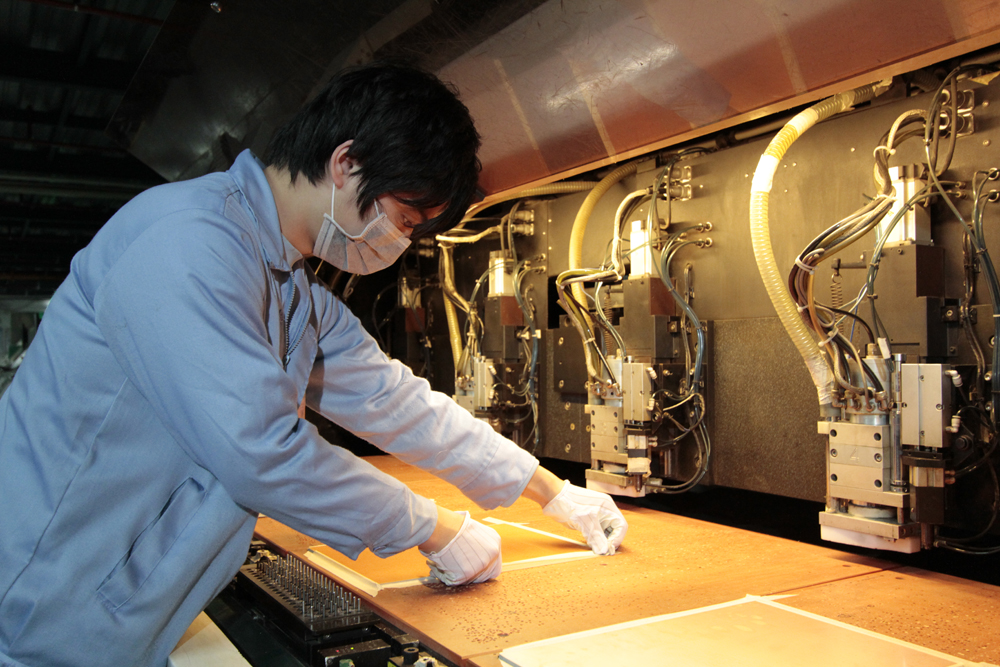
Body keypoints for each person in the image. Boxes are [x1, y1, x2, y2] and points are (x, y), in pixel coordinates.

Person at [0, 62, 627, 667]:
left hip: (111, 620)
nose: (398, 243)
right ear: (346, 163)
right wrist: (434, 528)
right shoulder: (186, 240)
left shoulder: (287, 285)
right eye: (403, 219)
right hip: (38, 613)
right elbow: (262, 452)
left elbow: (391, 398)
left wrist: (550, 491)